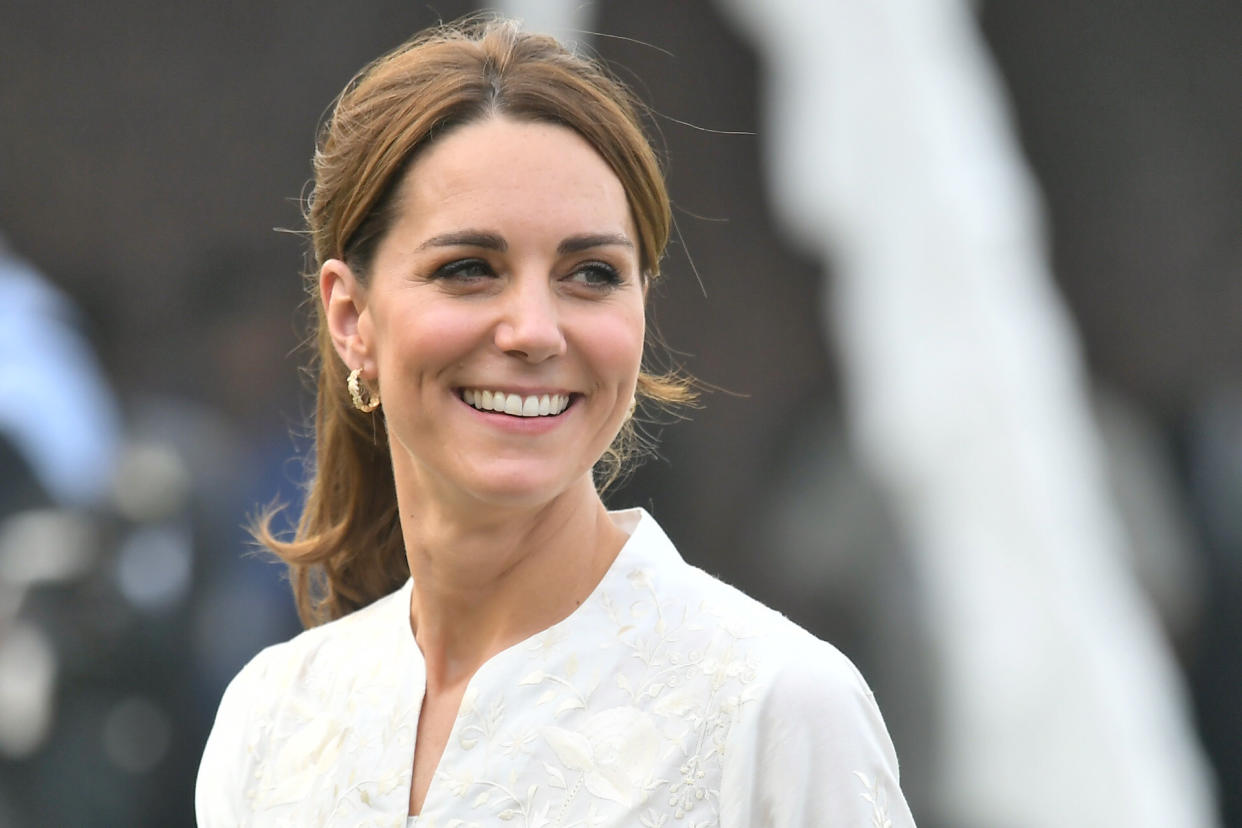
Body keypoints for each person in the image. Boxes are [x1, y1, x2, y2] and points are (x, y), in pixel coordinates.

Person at [195, 17, 914, 827]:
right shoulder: (270, 724)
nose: (534, 330)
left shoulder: (775, 708)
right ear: (352, 316)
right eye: (469, 269)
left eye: (591, 274)